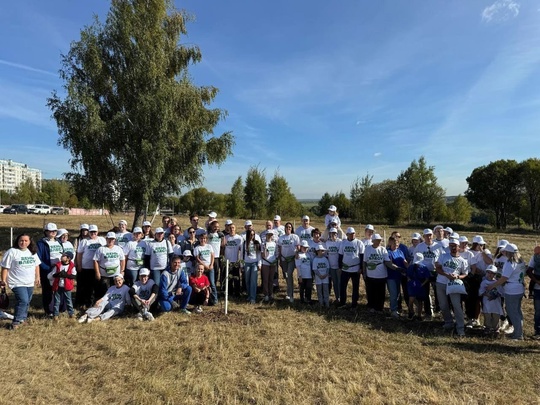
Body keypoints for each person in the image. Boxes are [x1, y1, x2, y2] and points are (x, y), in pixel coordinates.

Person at [0, 233, 41, 329]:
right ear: (17, 241)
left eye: (26, 241)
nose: (23, 242)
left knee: (27, 301)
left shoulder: (32, 252)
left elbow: (36, 265)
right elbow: (5, 267)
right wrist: (3, 281)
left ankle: (22, 318)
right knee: (23, 300)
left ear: (30, 242)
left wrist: (37, 277)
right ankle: (16, 322)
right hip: (17, 282)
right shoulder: (12, 252)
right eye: (21, 240)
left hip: (29, 282)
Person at [486, 243, 526, 341]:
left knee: (512, 312)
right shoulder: (521, 261)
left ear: (509, 252)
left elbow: (504, 278)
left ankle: (518, 335)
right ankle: (518, 331)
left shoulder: (510, 262)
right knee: (517, 311)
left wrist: (492, 286)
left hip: (512, 290)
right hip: (519, 288)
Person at [435, 237, 469, 337]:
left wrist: (458, 276)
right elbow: (438, 268)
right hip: (441, 282)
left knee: (456, 305)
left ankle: (460, 328)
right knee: (443, 305)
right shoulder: (443, 256)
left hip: (454, 284)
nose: (453, 248)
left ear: (459, 247)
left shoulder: (463, 260)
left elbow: (465, 273)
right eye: (451, 246)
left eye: (455, 246)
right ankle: (448, 322)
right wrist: (446, 274)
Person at [413, 228, 443, 320]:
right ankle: (428, 312)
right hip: (423, 273)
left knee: (438, 292)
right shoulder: (419, 246)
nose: (429, 237)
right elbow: (415, 258)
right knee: (425, 293)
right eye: (427, 235)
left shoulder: (438, 246)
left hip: (435, 272)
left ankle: (440, 310)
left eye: (430, 235)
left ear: (432, 236)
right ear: (424, 237)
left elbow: (442, 258)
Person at [466, 235, 493, 328]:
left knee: (484, 299)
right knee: (474, 299)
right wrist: (476, 270)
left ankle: (486, 320)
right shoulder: (470, 252)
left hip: (485, 278)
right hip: (474, 278)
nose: (480, 246)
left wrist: (482, 252)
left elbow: (489, 262)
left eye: (482, 244)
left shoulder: (486, 252)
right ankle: (474, 318)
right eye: (478, 244)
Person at [76, 225, 105, 308]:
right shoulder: (84, 241)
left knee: (97, 286)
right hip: (86, 267)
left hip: (99, 267)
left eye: (95, 232)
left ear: (97, 232)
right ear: (89, 232)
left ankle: (96, 302)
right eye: (91, 232)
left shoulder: (102, 240)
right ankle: (87, 303)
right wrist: (79, 265)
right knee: (87, 286)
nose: (93, 233)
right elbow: (79, 254)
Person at [37, 222, 63, 316]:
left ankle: (58, 308)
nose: (52, 233)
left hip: (59, 268)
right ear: (46, 232)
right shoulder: (41, 243)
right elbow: (38, 258)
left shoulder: (59, 241)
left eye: (54, 231)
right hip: (48, 269)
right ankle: (48, 310)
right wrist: (46, 268)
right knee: (47, 290)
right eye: (50, 231)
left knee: (59, 288)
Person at [363, 234, 391, 315]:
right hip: (370, 275)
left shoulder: (383, 249)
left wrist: (395, 267)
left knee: (381, 293)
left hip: (381, 275)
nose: (379, 242)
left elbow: (387, 261)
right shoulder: (367, 249)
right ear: (373, 241)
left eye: (380, 240)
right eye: (377, 240)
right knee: (371, 292)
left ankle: (379, 308)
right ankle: (371, 307)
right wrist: (364, 273)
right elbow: (364, 262)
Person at [93, 232, 126, 299]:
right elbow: (95, 260)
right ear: (106, 239)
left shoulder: (118, 249)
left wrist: (122, 270)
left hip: (116, 275)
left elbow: (122, 260)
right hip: (104, 275)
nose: (110, 240)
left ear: (114, 240)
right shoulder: (101, 249)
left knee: (115, 290)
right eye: (109, 239)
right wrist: (97, 272)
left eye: (112, 239)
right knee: (104, 290)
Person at [338, 227, 365, 309]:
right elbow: (340, 255)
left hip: (355, 269)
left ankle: (354, 304)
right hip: (345, 269)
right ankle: (342, 303)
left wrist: (361, 268)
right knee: (343, 286)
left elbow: (362, 256)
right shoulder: (343, 243)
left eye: (353, 233)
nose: (352, 235)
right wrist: (340, 267)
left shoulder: (359, 243)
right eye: (350, 234)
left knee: (355, 287)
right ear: (347, 235)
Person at [48, 251, 77, 321]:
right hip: (58, 286)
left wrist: (66, 275)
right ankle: (55, 315)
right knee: (56, 301)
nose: (61, 257)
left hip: (67, 286)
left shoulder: (71, 266)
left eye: (64, 256)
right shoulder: (58, 265)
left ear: (68, 258)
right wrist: (58, 274)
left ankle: (71, 313)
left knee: (68, 300)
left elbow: (73, 275)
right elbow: (53, 274)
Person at [277, 222, 300, 302]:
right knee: (286, 276)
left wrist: (297, 254)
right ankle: (289, 292)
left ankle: (291, 295)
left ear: (292, 228)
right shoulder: (281, 238)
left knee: (289, 274)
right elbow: (279, 249)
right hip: (284, 259)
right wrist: (279, 259)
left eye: (290, 227)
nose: (288, 228)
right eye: (287, 227)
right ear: (285, 228)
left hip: (292, 259)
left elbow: (298, 247)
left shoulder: (295, 237)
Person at [193, 231, 217, 305]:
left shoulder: (209, 246)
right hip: (201, 268)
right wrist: (205, 266)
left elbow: (212, 255)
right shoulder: (197, 248)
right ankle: (201, 299)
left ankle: (214, 299)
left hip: (210, 267)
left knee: (212, 284)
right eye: (201, 238)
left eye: (204, 238)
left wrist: (211, 264)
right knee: (201, 284)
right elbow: (197, 259)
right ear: (199, 239)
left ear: (206, 239)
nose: (202, 240)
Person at [386, 235, 408, 317]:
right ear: (390, 243)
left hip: (399, 276)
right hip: (391, 276)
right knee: (393, 293)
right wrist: (398, 268)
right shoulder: (388, 252)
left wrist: (409, 268)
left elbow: (405, 261)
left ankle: (395, 308)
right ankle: (393, 310)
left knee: (398, 293)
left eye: (397, 243)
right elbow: (389, 263)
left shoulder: (400, 252)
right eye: (394, 243)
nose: (395, 245)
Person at [479, 265, 503, 335]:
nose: (490, 274)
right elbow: (480, 292)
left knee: (496, 315)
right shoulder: (484, 282)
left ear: (495, 274)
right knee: (487, 315)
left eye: (492, 273)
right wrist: (487, 294)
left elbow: (501, 292)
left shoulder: (497, 283)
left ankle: (495, 327)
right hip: (487, 301)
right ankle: (487, 327)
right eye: (488, 272)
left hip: (496, 302)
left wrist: (495, 295)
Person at [406, 253, 431, 320]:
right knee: (411, 299)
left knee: (420, 301)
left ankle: (419, 315)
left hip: (420, 285)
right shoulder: (411, 267)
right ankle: (411, 312)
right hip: (412, 284)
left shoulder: (424, 267)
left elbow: (427, 278)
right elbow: (408, 275)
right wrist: (410, 282)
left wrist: (421, 284)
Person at [222, 224, 243, 296]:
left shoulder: (239, 238)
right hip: (227, 261)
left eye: (233, 228)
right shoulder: (226, 238)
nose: (232, 229)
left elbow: (241, 250)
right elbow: (223, 248)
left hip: (236, 261)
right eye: (230, 228)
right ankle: (229, 292)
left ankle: (237, 292)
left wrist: (240, 261)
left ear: (235, 228)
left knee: (237, 278)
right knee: (229, 278)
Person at [242, 229, 261, 304]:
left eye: (253, 234)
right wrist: (241, 265)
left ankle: (253, 297)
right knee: (247, 280)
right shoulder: (244, 243)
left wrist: (259, 264)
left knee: (253, 280)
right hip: (247, 263)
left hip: (254, 263)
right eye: (251, 234)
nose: (252, 236)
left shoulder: (256, 243)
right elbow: (241, 255)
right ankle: (249, 295)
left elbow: (259, 254)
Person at [325, 227, 342, 302]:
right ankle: (337, 297)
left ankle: (341, 297)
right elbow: (326, 254)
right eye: (332, 233)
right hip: (331, 266)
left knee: (339, 283)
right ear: (329, 234)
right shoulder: (327, 243)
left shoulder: (340, 242)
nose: (333, 235)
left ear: (337, 234)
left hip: (338, 266)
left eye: (335, 233)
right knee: (334, 282)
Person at [526, 246, 540, 339]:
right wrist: (537, 281)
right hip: (537, 287)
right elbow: (529, 271)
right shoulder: (535, 257)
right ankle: (538, 331)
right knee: (538, 310)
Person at [261, 230, 278, 302]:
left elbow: (276, 253)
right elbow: (263, 255)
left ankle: (271, 293)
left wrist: (275, 260)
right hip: (265, 263)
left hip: (273, 263)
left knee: (271, 279)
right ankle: (266, 294)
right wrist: (264, 249)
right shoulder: (263, 244)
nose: (269, 236)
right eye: (268, 235)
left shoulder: (274, 244)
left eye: (271, 235)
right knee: (265, 279)